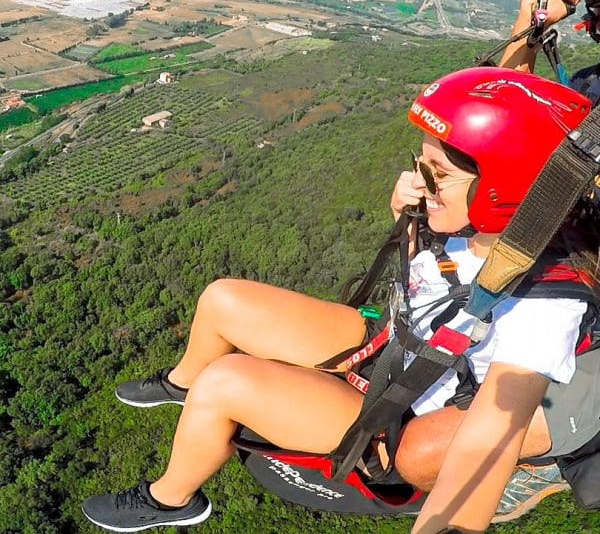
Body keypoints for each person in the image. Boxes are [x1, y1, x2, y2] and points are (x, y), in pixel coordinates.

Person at [82, 67, 597, 534]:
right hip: (393, 344)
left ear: (506, 187)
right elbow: (433, 286)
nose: (418, 180)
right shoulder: (469, 224)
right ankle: (182, 385)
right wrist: (414, 225)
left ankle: (170, 499)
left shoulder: (543, 305)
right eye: (419, 162)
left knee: (225, 383)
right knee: (223, 300)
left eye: (437, 173)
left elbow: (492, 434)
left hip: (401, 407)